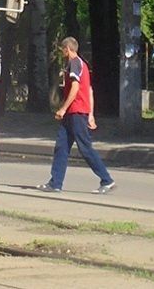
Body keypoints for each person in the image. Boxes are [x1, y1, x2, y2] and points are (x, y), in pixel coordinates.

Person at [38, 36, 116, 194]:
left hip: (76, 112)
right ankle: (55, 183)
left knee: (85, 148)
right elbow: (89, 90)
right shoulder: (83, 64)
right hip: (76, 113)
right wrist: (91, 114)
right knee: (62, 147)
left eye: (62, 50)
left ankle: (106, 180)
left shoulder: (74, 63)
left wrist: (63, 108)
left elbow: (75, 88)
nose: (62, 53)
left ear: (67, 49)